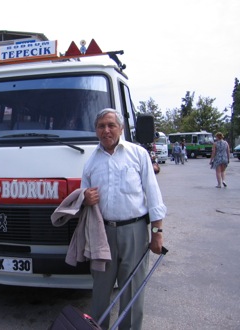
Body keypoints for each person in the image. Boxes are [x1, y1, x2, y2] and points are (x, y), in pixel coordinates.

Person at [81, 108, 167, 330]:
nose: (106, 130)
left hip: (135, 232)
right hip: (102, 233)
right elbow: (83, 196)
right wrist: (85, 198)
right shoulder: (91, 162)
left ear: (120, 128)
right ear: (96, 130)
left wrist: (157, 233)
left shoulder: (138, 154)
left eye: (111, 125)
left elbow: (153, 193)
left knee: (132, 291)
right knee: (100, 290)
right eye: (101, 126)